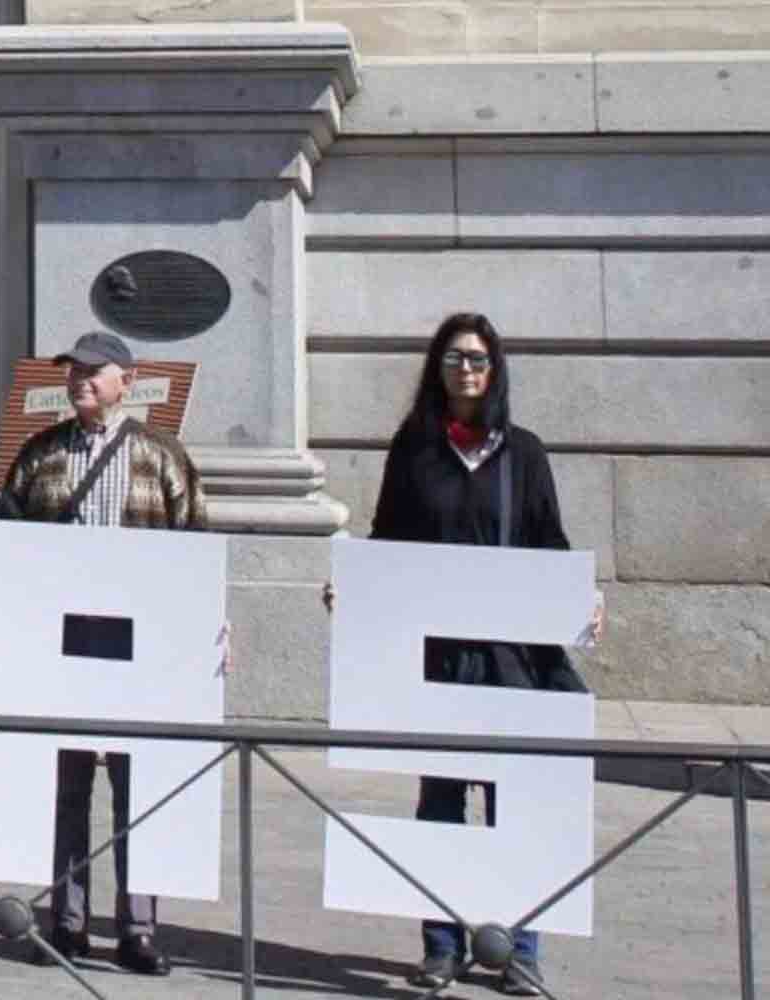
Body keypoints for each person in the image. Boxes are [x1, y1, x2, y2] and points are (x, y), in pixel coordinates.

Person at [342, 313, 591, 997]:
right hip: (439, 659)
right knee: (442, 802)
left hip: (512, 659)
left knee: (516, 805)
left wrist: (580, 602)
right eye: (454, 358)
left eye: (478, 358)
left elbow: (550, 545)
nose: (466, 369)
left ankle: (520, 950)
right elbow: (386, 539)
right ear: (437, 368)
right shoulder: (414, 449)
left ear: (495, 368)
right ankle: (442, 947)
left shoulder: (525, 454)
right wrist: (358, 592)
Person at [0, 331, 209, 976]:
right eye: (73, 370)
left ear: (127, 379)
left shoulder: (160, 454)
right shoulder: (39, 452)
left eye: (95, 370)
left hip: (138, 647)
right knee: (66, 786)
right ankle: (68, 921)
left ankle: (138, 929)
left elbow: (196, 542)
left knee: (135, 787)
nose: (80, 379)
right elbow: (8, 541)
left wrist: (201, 634)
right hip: (63, 643)